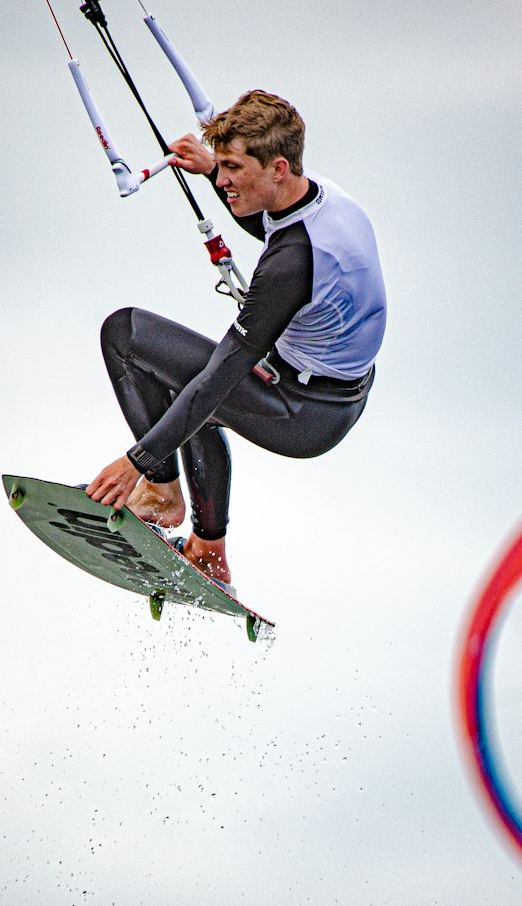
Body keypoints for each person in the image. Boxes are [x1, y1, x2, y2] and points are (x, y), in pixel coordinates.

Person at [85, 90, 386, 588]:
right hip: (336, 393)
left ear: (278, 168)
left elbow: (220, 377)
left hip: (304, 412)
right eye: (220, 166)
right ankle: (207, 549)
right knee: (189, 380)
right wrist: (206, 169)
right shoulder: (324, 200)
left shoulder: (290, 264)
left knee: (127, 335)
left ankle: (166, 499)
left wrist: (137, 463)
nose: (222, 181)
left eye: (231, 168)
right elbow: (271, 224)